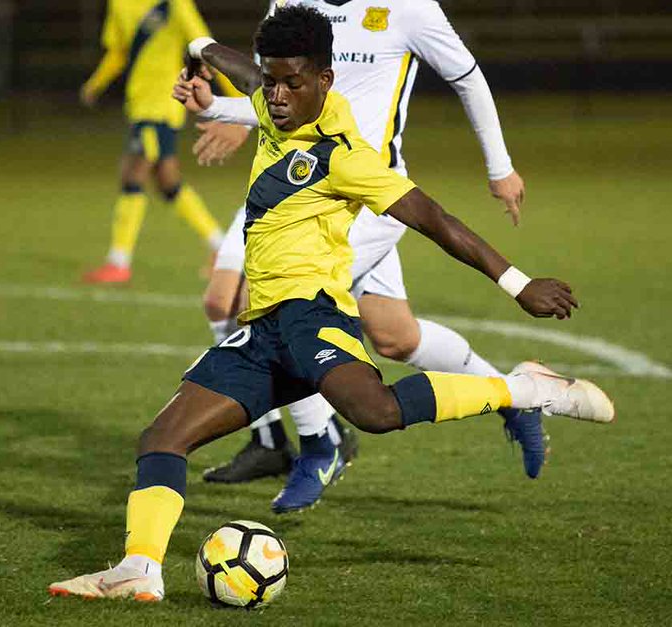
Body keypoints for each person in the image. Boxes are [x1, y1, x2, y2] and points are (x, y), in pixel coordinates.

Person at [48, 5, 614, 602]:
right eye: (274, 81)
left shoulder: (346, 154)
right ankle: (140, 568)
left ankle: (525, 389)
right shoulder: (273, 103)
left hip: (314, 312)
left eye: (294, 82)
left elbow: (433, 218)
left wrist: (518, 284)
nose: (279, 94)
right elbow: (244, 72)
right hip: (264, 329)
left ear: (325, 80)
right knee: (161, 439)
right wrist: (202, 51)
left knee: (375, 411)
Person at [182, 0, 540, 513]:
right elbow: (274, 81)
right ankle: (509, 394)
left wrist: (499, 166)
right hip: (286, 180)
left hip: (365, 197)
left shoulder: (411, 9)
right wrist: (224, 109)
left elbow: (467, 77)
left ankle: (319, 445)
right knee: (396, 335)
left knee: (274, 307)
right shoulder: (292, 4)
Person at [79, 0, 241, 284]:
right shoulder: (119, 4)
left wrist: (239, 100)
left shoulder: (173, 4)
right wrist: (95, 84)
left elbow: (206, 49)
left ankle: (119, 262)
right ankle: (220, 246)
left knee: (133, 173)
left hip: (160, 106)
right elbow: (118, 51)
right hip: (139, 104)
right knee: (167, 182)